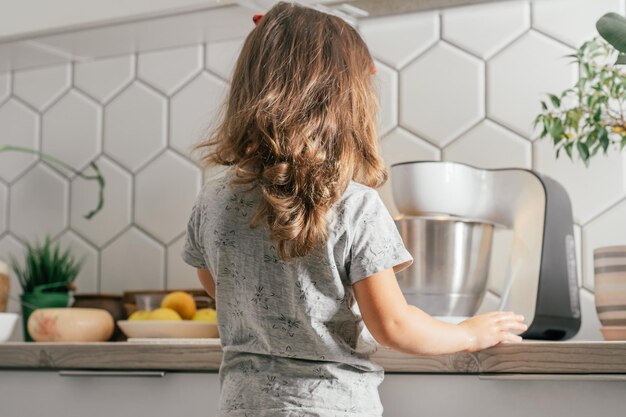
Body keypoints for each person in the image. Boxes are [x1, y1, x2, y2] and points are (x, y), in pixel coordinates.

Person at [182, 3, 527, 416]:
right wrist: (468, 334)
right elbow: (393, 325)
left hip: (242, 405)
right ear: (343, 101)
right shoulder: (353, 204)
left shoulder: (212, 199)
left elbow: (217, 285)